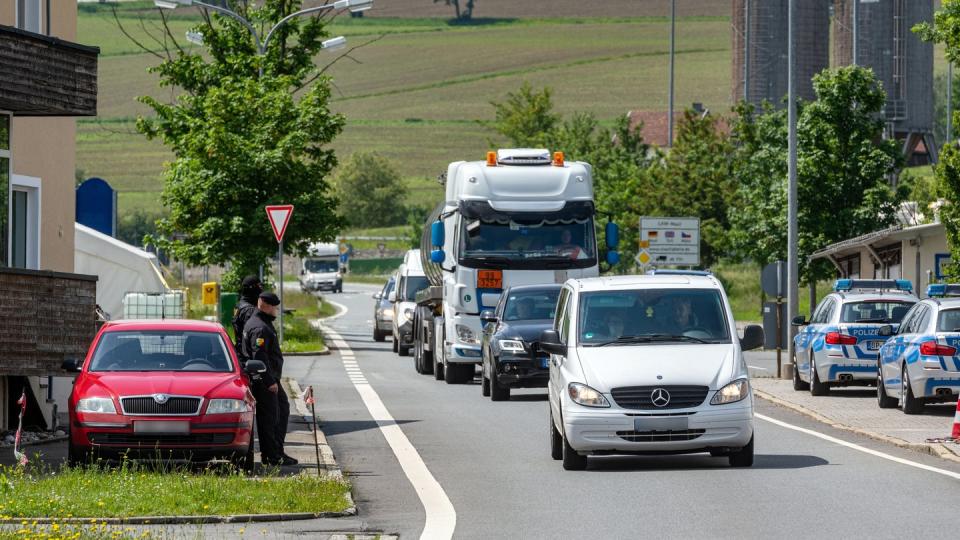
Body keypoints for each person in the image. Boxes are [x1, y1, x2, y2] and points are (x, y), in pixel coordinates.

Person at [242, 292, 297, 467]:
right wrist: (269, 381)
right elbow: (259, 357)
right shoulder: (260, 327)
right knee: (271, 418)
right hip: (266, 381)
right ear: (265, 305)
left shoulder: (258, 322)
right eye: (274, 307)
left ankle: (274, 453)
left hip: (268, 379)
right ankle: (273, 455)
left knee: (279, 411)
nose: (276, 310)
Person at [232, 275, 262, 361]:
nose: (261, 289)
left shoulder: (239, 305)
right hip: (247, 356)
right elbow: (252, 335)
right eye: (259, 286)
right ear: (252, 288)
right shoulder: (249, 310)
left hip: (241, 351)